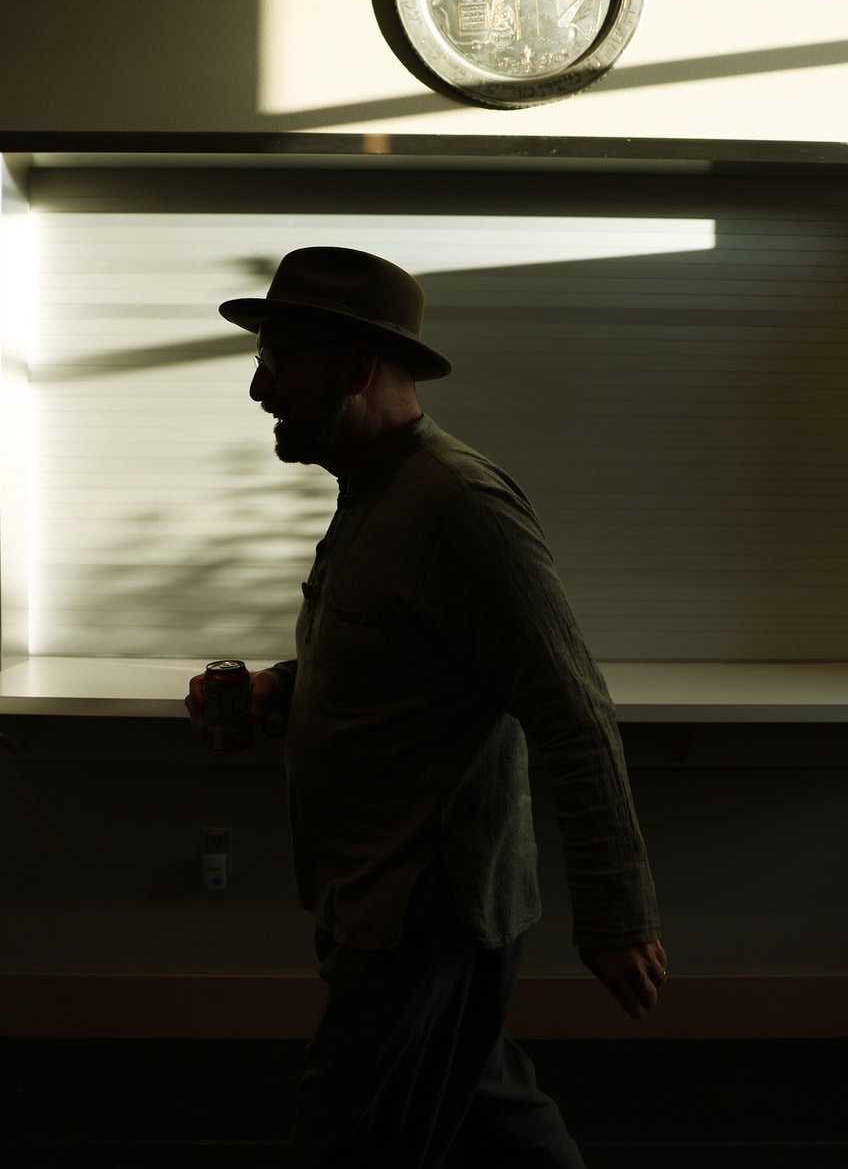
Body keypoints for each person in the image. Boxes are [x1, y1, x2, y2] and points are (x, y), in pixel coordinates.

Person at [184, 246, 666, 1166]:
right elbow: (398, 659)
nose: (259, 388)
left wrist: (617, 913)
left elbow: (573, 707)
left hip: (426, 916)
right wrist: (272, 691)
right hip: (379, 900)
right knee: (494, 1117)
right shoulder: (374, 494)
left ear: (358, 368)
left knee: (345, 1140)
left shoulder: (459, 508)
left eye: (279, 359)